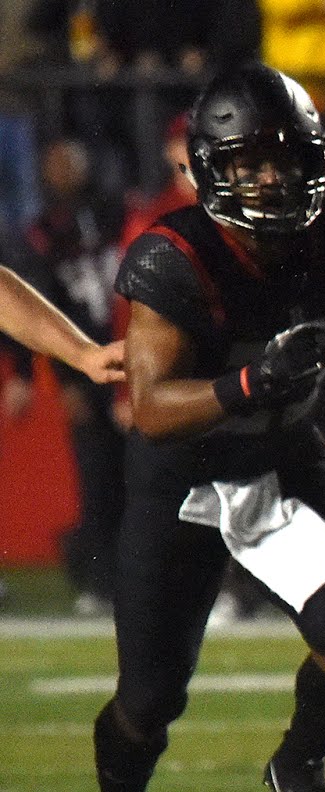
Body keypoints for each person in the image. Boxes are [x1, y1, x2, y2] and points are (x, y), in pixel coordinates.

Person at [91, 64, 325, 792]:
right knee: (149, 699)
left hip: (281, 459)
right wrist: (247, 384)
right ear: (212, 168)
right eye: (248, 161)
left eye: (284, 157)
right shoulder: (176, 257)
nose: (271, 177)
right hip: (182, 478)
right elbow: (151, 409)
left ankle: (300, 764)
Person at [10, 136, 128, 615]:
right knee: (97, 479)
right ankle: (98, 580)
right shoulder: (43, 233)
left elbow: (9, 295)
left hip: (129, 359)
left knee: (141, 477)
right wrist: (71, 371)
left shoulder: (117, 215)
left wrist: (81, 357)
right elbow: (23, 295)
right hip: (90, 367)